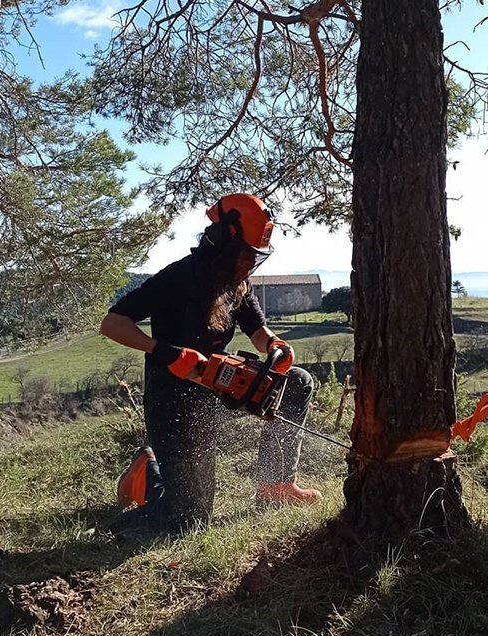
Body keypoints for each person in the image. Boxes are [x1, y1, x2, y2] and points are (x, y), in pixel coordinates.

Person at [100, 192, 322, 534]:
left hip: (218, 388)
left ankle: (274, 486)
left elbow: (257, 330)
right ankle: (146, 473)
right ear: (223, 242)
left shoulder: (236, 284)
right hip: (173, 400)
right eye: (246, 255)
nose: (249, 264)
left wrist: (274, 345)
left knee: (297, 380)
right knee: (189, 520)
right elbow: (112, 323)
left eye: (255, 257)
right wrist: (166, 352)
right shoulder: (177, 278)